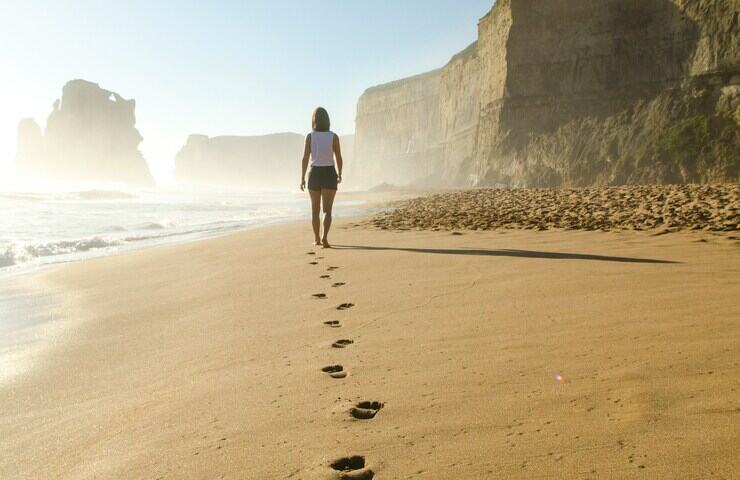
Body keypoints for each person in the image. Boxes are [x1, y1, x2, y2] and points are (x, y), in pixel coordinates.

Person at [300, 107, 343, 248]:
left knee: (315, 210)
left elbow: (305, 158)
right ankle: (325, 237)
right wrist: (340, 173)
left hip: (314, 173)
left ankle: (317, 239)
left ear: (314, 120)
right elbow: (339, 157)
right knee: (327, 210)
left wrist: (302, 178)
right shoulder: (334, 137)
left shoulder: (310, 136)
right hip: (329, 172)